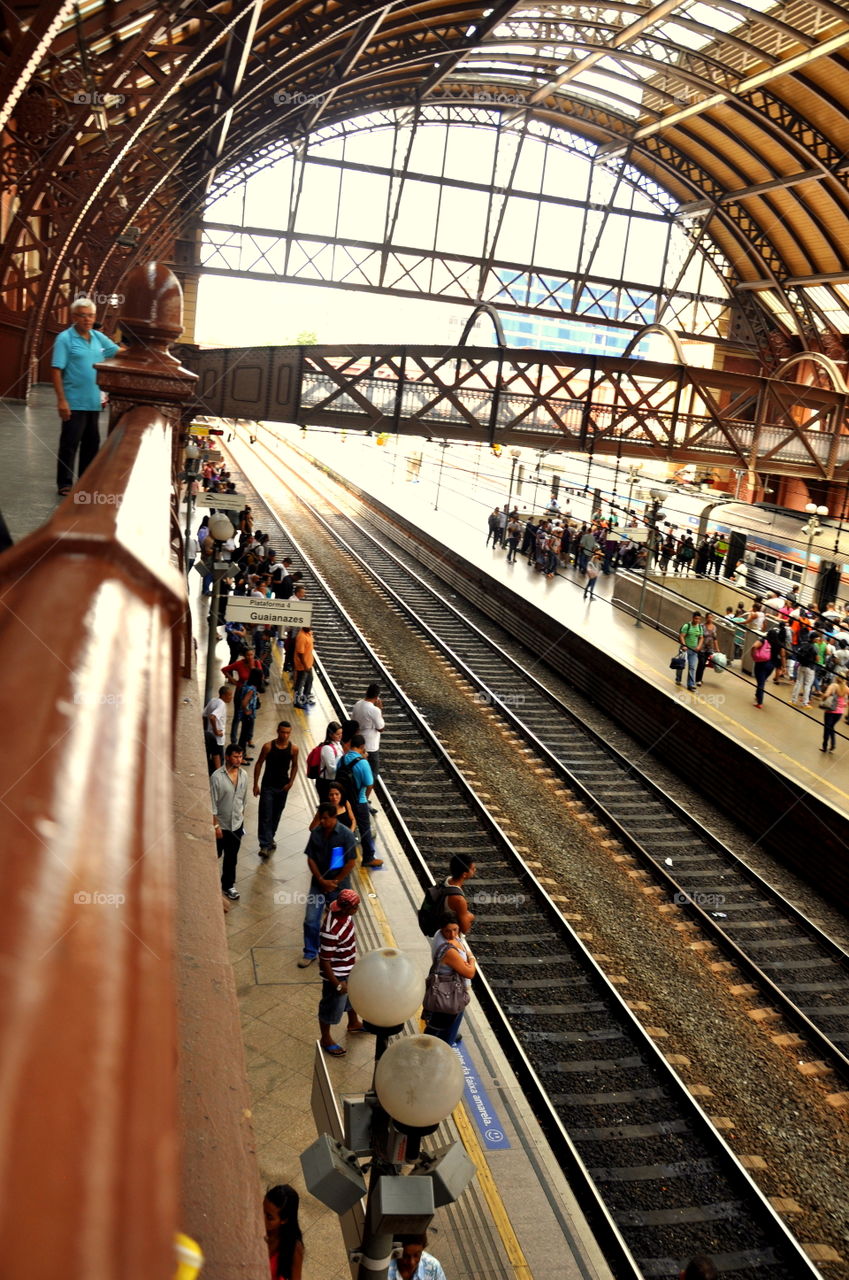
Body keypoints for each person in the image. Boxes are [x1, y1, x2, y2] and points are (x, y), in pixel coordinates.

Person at [51, 297, 121, 497]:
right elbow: (56, 370)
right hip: (73, 401)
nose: (87, 320)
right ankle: (64, 483)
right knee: (70, 443)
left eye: (90, 316)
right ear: (74, 317)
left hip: (94, 402)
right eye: (83, 316)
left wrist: (143, 353)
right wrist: (61, 400)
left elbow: (118, 352)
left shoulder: (98, 338)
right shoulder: (65, 339)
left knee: (91, 444)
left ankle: (85, 482)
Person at [297, 803, 358, 967]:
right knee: (311, 919)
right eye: (320, 818)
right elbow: (310, 858)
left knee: (341, 921)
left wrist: (335, 881)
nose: (322, 821)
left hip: (339, 887)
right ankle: (310, 952)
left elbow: (351, 862)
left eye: (325, 818)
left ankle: (338, 952)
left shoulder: (346, 835)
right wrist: (321, 880)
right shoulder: (316, 833)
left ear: (333, 817)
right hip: (319, 884)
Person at [317, 888, 366, 1055]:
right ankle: (326, 1039)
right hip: (337, 974)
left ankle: (354, 1023)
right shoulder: (331, 931)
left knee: (351, 997)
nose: (358, 908)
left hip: (348, 966)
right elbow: (324, 961)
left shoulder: (344, 913)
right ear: (346, 908)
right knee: (330, 1007)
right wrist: (337, 984)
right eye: (356, 906)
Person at [423, 912, 475, 1047]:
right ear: (441, 929)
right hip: (449, 990)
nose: (452, 934)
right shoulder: (449, 951)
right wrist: (471, 958)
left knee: (451, 1017)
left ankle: (448, 1036)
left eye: (455, 930)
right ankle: (439, 1044)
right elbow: (469, 973)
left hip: (451, 987)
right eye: (448, 931)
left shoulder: (439, 935)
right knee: (444, 1020)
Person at [336, 735, 383, 869]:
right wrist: (365, 798)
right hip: (359, 801)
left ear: (351, 744)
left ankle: (340, 858)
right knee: (364, 830)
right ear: (362, 747)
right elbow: (369, 783)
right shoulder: (363, 763)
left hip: (344, 801)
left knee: (344, 828)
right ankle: (368, 858)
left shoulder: (343, 759)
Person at [210, 743, 248, 901]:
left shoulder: (244, 775)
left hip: (237, 825)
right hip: (221, 826)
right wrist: (216, 826)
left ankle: (228, 885)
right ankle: (209, 883)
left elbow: (243, 800)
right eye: (235, 756)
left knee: (232, 857)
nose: (239, 759)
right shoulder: (217, 777)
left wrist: (241, 819)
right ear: (227, 757)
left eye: (240, 756)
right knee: (215, 855)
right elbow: (212, 804)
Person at [254, 721, 299, 856]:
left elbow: (295, 766)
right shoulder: (268, 746)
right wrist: (255, 784)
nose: (285, 735)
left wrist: (290, 783)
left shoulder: (293, 749)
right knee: (265, 815)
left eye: (287, 733)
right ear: (277, 731)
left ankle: (269, 838)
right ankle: (265, 845)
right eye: (282, 732)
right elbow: (259, 763)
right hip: (268, 786)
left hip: (282, 787)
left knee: (276, 815)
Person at [350, 684, 385, 804]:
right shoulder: (374, 710)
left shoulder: (358, 704)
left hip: (358, 744)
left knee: (357, 773)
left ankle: (356, 797)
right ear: (377, 697)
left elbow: (353, 722)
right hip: (371, 747)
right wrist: (380, 710)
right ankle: (363, 800)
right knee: (371, 776)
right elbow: (380, 728)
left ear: (366, 692)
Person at [263, 1184, 304, 1280]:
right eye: (262, 1210)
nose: (262, 1219)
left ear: (284, 1220)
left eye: (269, 1217)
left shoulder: (294, 1248)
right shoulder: (253, 1229)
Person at [202, 685, 233, 774]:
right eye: (229, 695)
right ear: (223, 695)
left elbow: (204, 715)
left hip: (209, 736)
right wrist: (216, 731)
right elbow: (212, 717)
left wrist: (206, 730)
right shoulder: (222, 704)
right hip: (218, 739)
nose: (231, 697)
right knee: (218, 761)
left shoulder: (213, 700)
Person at [316, 720, 344, 802]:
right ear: (330, 735)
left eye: (341, 733)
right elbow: (331, 769)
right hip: (326, 782)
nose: (340, 736)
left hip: (333, 781)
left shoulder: (338, 744)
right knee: (326, 807)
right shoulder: (327, 748)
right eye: (337, 734)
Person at [676, 611, 703, 692]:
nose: (697, 620)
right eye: (696, 618)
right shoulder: (687, 626)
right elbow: (681, 636)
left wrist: (699, 646)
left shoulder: (700, 627)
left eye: (699, 619)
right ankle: (678, 679)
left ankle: (690, 685)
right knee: (681, 666)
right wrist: (684, 645)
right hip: (685, 649)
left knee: (692, 667)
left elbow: (701, 637)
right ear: (693, 618)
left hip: (694, 651)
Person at [751, 625, 778, 708]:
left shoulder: (764, 640)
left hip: (761, 664)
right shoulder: (777, 643)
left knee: (760, 683)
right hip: (771, 666)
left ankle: (760, 702)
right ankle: (757, 695)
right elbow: (783, 654)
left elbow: (754, 646)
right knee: (761, 681)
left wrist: (753, 655)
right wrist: (783, 667)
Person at [790, 629, 818, 707]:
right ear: (814, 639)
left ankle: (793, 700)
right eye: (817, 638)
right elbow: (817, 659)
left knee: (798, 682)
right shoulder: (814, 647)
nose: (818, 639)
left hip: (801, 665)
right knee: (807, 685)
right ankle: (805, 703)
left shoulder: (804, 644)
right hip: (810, 668)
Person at [820, 674, 847, 752]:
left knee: (827, 728)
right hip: (840, 712)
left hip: (830, 710)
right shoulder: (846, 688)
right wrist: (845, 704)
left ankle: (824, 746)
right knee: (831, 727)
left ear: (837, 678)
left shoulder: (833, 686)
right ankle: (833, 745)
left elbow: (826, 695)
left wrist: (823, 698)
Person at [293, 625, 315, 707]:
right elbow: (300, 653)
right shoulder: (302, 636)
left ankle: (306, 698)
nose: (309, 627)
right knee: (300, 684)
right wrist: (305, 665)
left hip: (308, 664)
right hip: (303, 666)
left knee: (309, 681)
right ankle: (296, 701)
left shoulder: (308, 634)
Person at [695, 612, 718, 686]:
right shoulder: (701, 626)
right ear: (706, 618)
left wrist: (717, 649)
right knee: (701, 662)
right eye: (708, 617)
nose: (710, 619)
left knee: (704, 664)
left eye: (711, 617)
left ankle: (699, 678)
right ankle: (698, 680)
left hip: (709, 649)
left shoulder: (714, 627)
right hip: (702, 648)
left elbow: (715, 638)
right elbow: (698, 636)